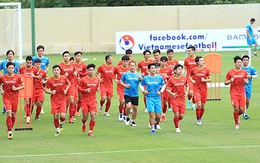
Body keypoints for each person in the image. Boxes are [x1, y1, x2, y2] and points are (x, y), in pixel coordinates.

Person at [0, 62, 24, 139]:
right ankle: (10, 131)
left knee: (13, 115)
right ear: (6, 69)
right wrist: (1, 90)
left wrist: (16, 88)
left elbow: (23, 86)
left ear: (14, 69)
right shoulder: (3, 77)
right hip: (6, 98)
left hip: (15, 98)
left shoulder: (17, 77)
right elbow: (0, 84)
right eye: (9, 68)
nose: (11, 69)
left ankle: (9, 128)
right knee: (9, 113)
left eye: (12, 68)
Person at [44, 65, 71, 136]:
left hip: (62, 99)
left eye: (58, 70)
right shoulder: (50, 80)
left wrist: (66, 89)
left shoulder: (63, 78)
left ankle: (61, 122)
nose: (56, 71)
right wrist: (51, 92)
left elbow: (69, 83)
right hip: (54, 100)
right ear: (52, 71)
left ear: (60, 71)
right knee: (55, 115)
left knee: (63, 116)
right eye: (55, 70)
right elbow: (46, 89)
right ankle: (57, 129)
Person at [140, 63, 165, 134]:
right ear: (148, 70)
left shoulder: (159, 78)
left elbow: (164, 85)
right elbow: (141, 85)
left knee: (158, 116)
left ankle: (155, 123)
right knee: (151, 113)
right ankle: (153, 128)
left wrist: (161, 92)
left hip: (157, 98)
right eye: (152, 68)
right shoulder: (146, 78)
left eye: (154, 68)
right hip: (149, 98)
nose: (153, 70)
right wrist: (144, 91)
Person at [225, 56, 248, 129]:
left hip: (241, 92)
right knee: (236, 108)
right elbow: (225, 82)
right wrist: (230, 81)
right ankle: (237, 123)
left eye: (240, 62)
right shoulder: (230, 72)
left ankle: (236, 115)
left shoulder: (244, 72)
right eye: (238, 62)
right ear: (235, 63)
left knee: (242, 110)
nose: (240, 64)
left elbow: (246, 80)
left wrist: (246, 81)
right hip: (234, 92)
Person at [78, 63, 100, 136]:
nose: (91, 71)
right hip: (84, 100)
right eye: (89, 70)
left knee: (93, 115)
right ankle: (84, 123)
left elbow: (98, 87)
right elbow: (78, 88)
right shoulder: (83, 80)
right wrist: (85, 90)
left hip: (93, 100)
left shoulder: (97, 79)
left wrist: (98, 89)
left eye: (92, 70)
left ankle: (90, 131)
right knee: (85, 117)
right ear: (87, 70)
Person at [166, 64, 189, 132]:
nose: (180, 70)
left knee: (181, 116)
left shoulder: (184, 78)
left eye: (181, 69)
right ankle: (177, 127)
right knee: (176, 114)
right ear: (175, 71)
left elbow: (187, 86)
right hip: (174, 99)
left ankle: (175, 121)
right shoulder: (171, 79)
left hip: (182, 99)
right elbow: (167, 89)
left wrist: (187, 92)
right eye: (179, 69)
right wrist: (172, 94)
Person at [189, 56, 211, 125]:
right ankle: (198, 118)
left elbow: (210, 79)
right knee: (198, 104)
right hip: (196, 89)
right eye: (201, 60)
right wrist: (192, 80)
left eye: (203, 60)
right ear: (197, 62)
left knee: (202, 105)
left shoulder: (206, 70)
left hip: (204, 90)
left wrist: (205, 80)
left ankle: (200, 118)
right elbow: (189, 76)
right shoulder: (193, 70)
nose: (203, 62)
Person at [120, 61, 142, 126]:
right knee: (128, 106)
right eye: (131, 66)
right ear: (129, 66)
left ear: (135, 66)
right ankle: (127, 117)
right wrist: (125, 86)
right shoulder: (126, 74)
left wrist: (140, 78)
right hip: (127, 93)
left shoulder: (138, 74)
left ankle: (133, 121)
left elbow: (143, 82)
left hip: (135, 94)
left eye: (133, 66)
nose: (132, 67)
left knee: (135, 108)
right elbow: (121, 81)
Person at [59, 51, 77, 123]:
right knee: (65, 103)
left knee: (72, 100)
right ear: (63, 57)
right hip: (64, 86)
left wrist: (75, 72)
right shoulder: (60, 66)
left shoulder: (73, 65)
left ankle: (71, 117)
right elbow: (57, 76)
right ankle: (64, 115)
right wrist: (63, 75)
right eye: (65, 56)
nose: (66, 57)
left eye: (68, 56)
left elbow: (76, 70)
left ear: (69, 57)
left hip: (71, 85)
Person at [0, 50, 20, 114]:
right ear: (7, 55)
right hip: (5, 80)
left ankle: (10, 106)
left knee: (13, 93)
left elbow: (19, 71)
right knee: (5, 93)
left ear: (13, 55)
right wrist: (1, 76)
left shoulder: (17, 63)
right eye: (9, 54)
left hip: (14, 81)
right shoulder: (3, 62)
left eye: (11, 54)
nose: (10, 55)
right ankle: (6, 106)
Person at [18, 56, 37, 124]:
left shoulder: (34, 69)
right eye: (28, 62)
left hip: (32, 88)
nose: (29, 64)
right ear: (25, 62)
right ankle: (28, 116)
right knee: (27, 102)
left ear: (32, 63)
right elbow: (19, 77)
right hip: (25, 88)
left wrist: (34, 76)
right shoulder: (22, 69)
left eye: (30, 63)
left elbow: (38, 78)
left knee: (32, 103)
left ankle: (28, 113)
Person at [32, 45, 50, 114]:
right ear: (37, 51)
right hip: (35, 77)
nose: (40, 52)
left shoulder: (46, 59)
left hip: (42, 76)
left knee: (42, 94)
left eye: (41, 51)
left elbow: (47, 65)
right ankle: (32, 110)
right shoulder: (34, 58)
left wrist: (46, 70)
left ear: (43, 51)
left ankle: (41, 107)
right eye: (39, 51)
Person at [114, 55, 130, 121]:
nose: (125, 62)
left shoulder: (130, 69)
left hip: (128, 88)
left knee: (127, 103)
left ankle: (124, 114)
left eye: (126, 61)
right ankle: (120, 113)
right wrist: (115, 79)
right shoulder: (117, 68)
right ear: (122, 61)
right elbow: (113, 74)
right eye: (124, 61)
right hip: (120, 87)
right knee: (122, 102)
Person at [241, 55, 258, 119]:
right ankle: (245, 113)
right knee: (244, 99)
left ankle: (243, 111)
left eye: (246, 60)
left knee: (247, 102)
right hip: (241, 87)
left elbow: (256, 75)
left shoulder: (251, 68)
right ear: (242, 61)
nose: (245, 61)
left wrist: (250, 76)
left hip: (248, 87)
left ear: (248, 61)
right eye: (244, 60)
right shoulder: (240, 68)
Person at [158, 56, 172, 121]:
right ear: (160, 61)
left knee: (165, 102)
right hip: (158, 88)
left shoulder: (169, 69)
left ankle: (163, 114)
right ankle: (159, 115)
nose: (163, 63)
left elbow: (172, 78)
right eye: (162, 61)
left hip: (166, 88)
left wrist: (167, 76)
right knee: (160, 102)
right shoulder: (157, 69)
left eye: (165, 62)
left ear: (166, 62)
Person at [73, 51, 87, 117]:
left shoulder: (83, 65)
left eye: (80, 56)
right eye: (77, 56)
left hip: (81, 84)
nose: (79, 57)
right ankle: (71, 109)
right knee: (72, 98)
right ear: (75, 57)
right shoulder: (72, 64)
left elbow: (86, 74)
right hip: (73, 83)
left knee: (79, 98)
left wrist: (80, 74)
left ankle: (77, 110)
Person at [183, 46, 197, 110]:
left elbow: (203, 66)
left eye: (190, 51)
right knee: (190, 92)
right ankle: (189, 101)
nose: (189, 52)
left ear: (194, 51)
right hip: (189, 78)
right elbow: (184, 69)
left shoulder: (198, 59)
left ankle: (194, 104)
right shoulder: (187, 60)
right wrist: (181, 73)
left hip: (196, 79)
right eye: (188, 51)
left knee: (195, 93)